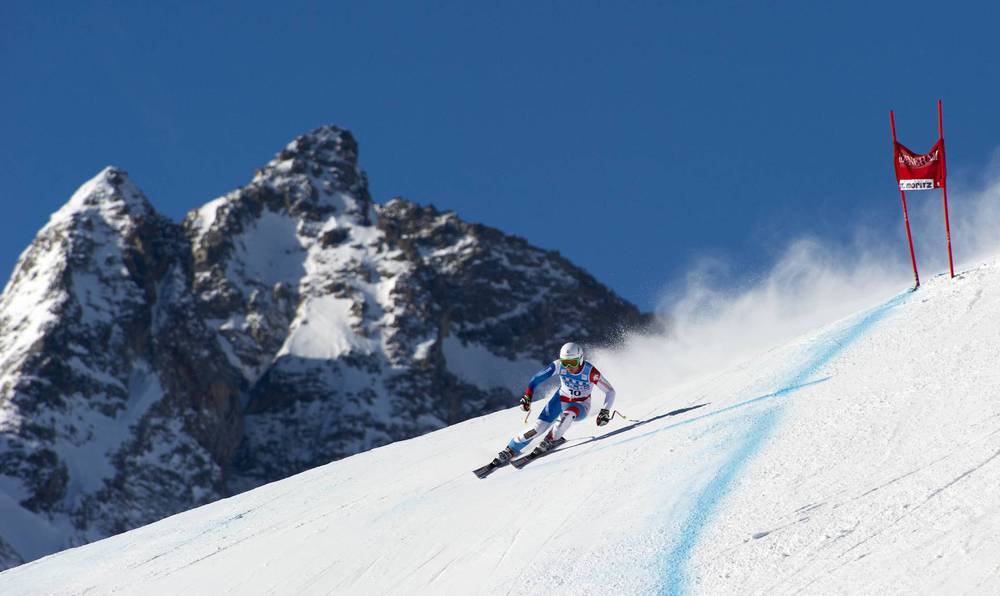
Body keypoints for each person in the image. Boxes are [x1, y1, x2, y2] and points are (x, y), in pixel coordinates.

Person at [492, 342, 616, 466]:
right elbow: (536, 379)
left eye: (572, 363)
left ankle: (551, 439)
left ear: (580, 359)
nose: (568, 367)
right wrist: (527, 396)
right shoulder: (558, 365)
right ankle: (511, 449)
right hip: (560, 399)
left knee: (567, 415)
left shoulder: (590, 372)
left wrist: (605, 411)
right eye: (565, 362)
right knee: (537, 428)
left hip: (581, 404)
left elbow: (610, 391)